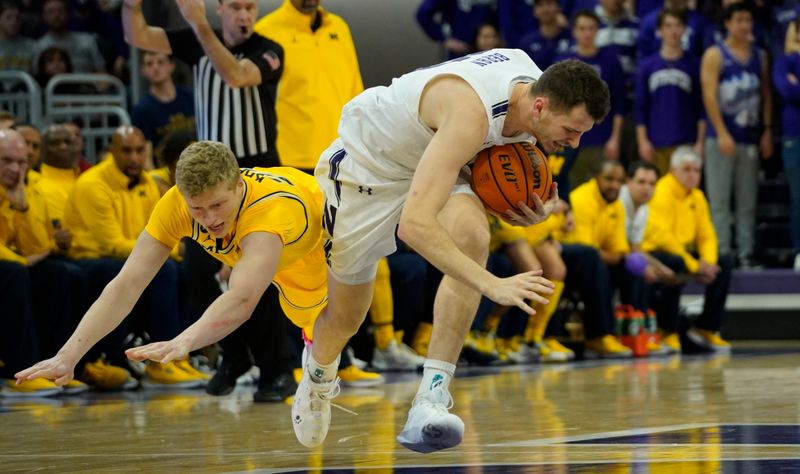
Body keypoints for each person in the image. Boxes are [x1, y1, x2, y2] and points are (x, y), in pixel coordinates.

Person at [294, 50, 610, 452]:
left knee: (473, 239)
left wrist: (530, 212)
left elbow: (485, 173)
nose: (574, 142)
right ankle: (318, 375)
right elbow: (415, 225)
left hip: (440, 159)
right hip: (369, 168)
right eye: (570, 130)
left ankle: (431, 399)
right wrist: (491, 284)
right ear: (540, 106)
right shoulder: (472, 113)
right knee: (346, 317)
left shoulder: (535, 92)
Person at [15, 140, 330, 398]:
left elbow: (242, 301)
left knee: (335, 325)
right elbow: (125, 285)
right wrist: (67, 356)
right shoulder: (176, 204)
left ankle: (321, 375)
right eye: (198, 209)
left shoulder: (269, 213)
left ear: (237, 185)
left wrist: (185, 340)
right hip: (266, 255)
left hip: (327, 245)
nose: (209, 219)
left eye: (218, 205)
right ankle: (318, 371)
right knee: (309, 325)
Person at [700, 2, 773, 268]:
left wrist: (766, 131)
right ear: (728, 23)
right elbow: (708, 96)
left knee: (747, 201)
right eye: (739, 20)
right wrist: (721, 132)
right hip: (720, 136)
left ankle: (745, 253)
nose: (745, 25)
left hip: (749, 136)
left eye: (748, 20)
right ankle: (722, 253)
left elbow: (765, 95)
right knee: (719, 200)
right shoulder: (715, 54)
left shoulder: (760, 56)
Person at [642, 146, 733, 353]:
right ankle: (668, 330)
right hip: (656, 252)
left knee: (724, 261)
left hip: (684, 252)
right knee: (675, 262)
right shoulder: (661, 191)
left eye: (696, 170)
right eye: (687, 169)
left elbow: (707, 234)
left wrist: (708, 261)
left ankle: (707, 327)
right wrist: (694, 266)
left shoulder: (698, 197)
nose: (693, 175)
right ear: (673, 170)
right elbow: (664, 238)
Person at [634, 7, 704, 176]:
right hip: (655, 143)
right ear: (659, 30)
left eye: (678, 25)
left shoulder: (694, 65)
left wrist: (700, 142)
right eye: (668, 25)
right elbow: (640, 108)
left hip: (685, 143)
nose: (673, 31)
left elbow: (701, 108)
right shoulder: (646, 66)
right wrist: (642, 141)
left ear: (685, 29)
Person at [772, 17, 800, 271]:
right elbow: (786, 91)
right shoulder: (784, 61)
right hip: (795, 135)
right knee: (798, 196)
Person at [131, 51, 195, 152]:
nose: (155, 67)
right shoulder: (141, 110)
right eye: (149, 64)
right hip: (163, 166)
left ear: (171, 66)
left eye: (160, 62)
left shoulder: (191, 96)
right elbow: (146, 156)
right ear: (143, 70)